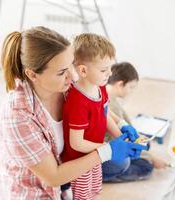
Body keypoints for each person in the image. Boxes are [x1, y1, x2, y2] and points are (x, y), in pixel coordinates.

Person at [0, 26, 147, 199]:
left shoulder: (69, 86)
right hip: (42, 189)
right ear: (33, 75)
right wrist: (107, 151)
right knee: (118, 161)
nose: (74, 76)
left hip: (70, 162)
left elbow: (100, 108)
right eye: (62, 72)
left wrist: (122, 125)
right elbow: (53, 177)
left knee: (121, 163)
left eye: (71, 65)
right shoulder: (18, 115)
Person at [60, 33, 142, 200]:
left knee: (94, 191)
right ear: (83, 70)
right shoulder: (78, 102)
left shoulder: (100, 87)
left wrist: (121, 131)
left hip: (95, 155)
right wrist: (108, 148)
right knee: (81, 195)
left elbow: (104, 115)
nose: (110, 74)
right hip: (80, 162)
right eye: (104, 69)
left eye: (110, 67)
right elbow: (77, 143)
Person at [102, 62, 167, 183]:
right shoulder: (111, 103)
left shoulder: (109, 97)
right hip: (110, 146)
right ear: (120, 84)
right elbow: (122, 141)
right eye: (131, 87)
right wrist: (152, 159)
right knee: (146, 167)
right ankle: (110, 175)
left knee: (146, 143)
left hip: (116, 140)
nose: (131, 91)